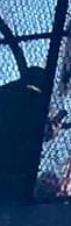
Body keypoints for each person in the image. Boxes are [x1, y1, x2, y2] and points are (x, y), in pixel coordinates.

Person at [0, 65, 65, 199]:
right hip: (16, 165)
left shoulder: (5, 91)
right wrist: (52, 129)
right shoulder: (37, 101)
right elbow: (42, 132)